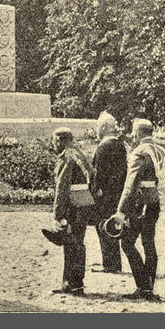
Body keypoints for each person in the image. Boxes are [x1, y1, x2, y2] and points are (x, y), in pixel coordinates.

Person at [114, 118, 165, 299]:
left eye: (134, 131)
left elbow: (131, 184)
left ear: (139, 132)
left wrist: (121, 210)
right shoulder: (160, 150)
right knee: (149, 243)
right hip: (154, 200)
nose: (132, 134)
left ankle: (143, 285)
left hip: (140, 202)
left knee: (127, 243)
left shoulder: (139, 152)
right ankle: (148, 286)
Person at [50, 127, 95, 295]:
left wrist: (57, 215)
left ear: (61, 140)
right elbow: (92, 174)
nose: (54, 146)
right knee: (78, 243)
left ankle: (72, 284)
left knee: (71, 245)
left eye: (54, 142)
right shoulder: (78, 153)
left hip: (72, 205)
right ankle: (74, 283)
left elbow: (61, 189)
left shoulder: (65, 158)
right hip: (84, 202)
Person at [91, 111, 126, 273]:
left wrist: (95, 190)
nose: (96, 129)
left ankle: (110, 264)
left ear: (104, 127)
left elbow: (98, 173)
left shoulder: (103, 147)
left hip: (105, 194)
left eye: (98, 126)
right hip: (117, 192)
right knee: (112, 226)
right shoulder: (119, 145)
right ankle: (113, 262)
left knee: (103, 226)